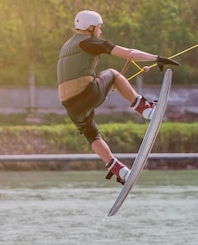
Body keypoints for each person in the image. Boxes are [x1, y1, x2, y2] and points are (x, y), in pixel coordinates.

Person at [57, 10, 179, 184]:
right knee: (113, 73)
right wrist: (156, 58)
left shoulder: (67, 46)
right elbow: (129, 53)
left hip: (70, 106)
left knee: (91, 133)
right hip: (86, 93)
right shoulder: (89, 42)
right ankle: (144, 109)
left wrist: (112, 84)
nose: (100, 31)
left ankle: (118, 169)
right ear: (90, 28)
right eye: (99, 27)